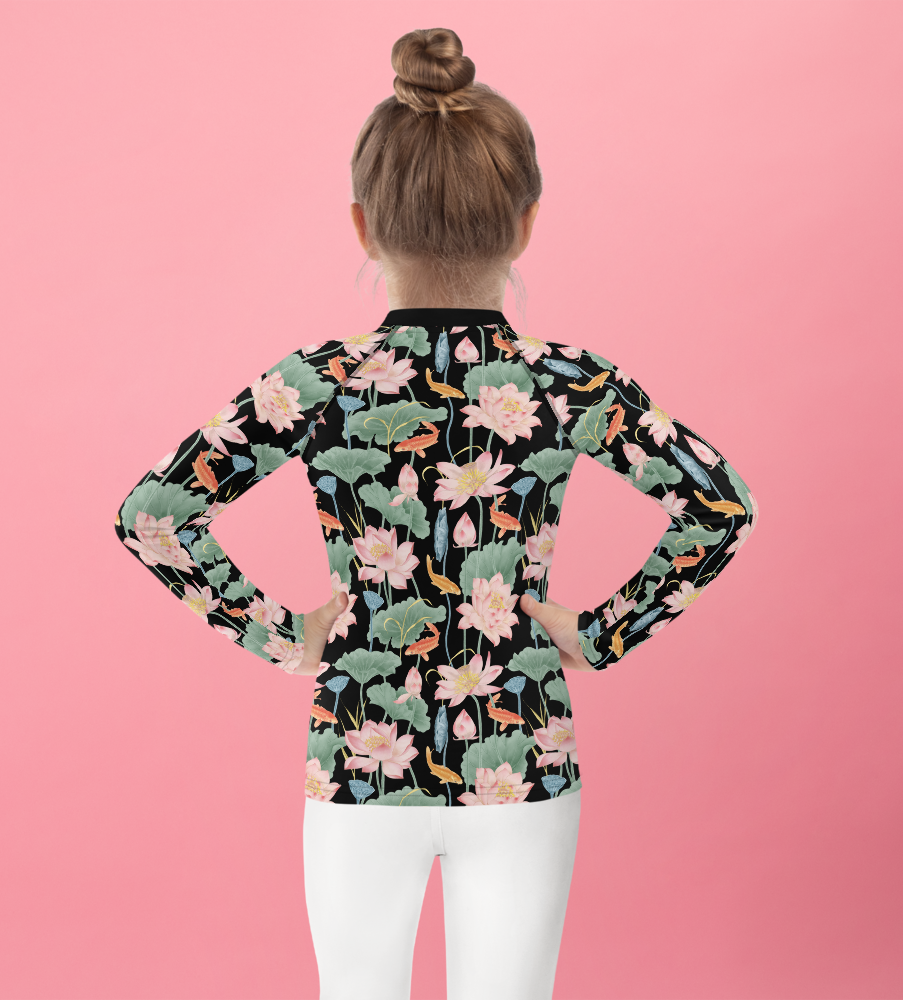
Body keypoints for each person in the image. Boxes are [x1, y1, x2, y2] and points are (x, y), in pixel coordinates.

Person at [114, 27, 758, 1000]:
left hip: (360, 754)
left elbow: (154, 513)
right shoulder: (568, 384)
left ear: (363, 226)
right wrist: (599, 634)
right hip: (521, 752)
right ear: (526, 223)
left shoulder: (316, 383)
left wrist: (281, 633)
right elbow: (720, 504)